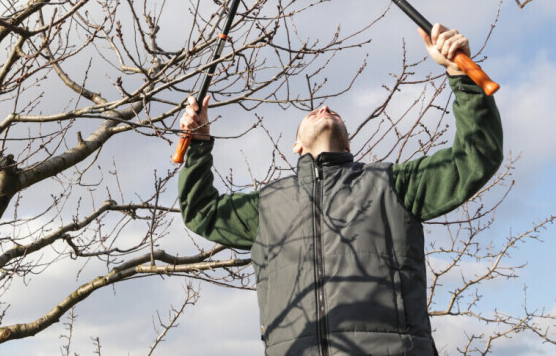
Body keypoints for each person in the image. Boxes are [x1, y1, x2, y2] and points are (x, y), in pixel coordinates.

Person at [178, 24, 503, 355]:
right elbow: (201, 211)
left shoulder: (392, 185)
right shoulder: (267, 207)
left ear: (348, 140)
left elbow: (475, 157)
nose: (325, 108)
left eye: (334, 112)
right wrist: (199, 145)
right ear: (296, 146)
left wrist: (459, 73)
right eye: (313, 112)